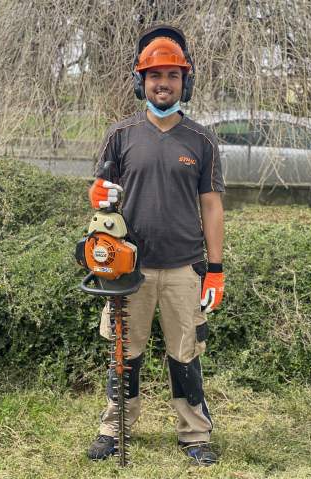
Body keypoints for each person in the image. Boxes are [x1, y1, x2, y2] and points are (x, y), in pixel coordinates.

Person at [87, 24, 225, 466]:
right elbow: (101, 193)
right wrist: (97, 195)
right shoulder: (121, 134)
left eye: (172, 76)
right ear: (139, 82)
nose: (163, 84)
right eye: (154, 76)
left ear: (186, 82)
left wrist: (216, 270)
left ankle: (194, 434)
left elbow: (212, 207)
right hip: (129, 269)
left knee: (186, 354)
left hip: (186, 268)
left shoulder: (202, 139)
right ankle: (115, 429)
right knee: (124, 353)